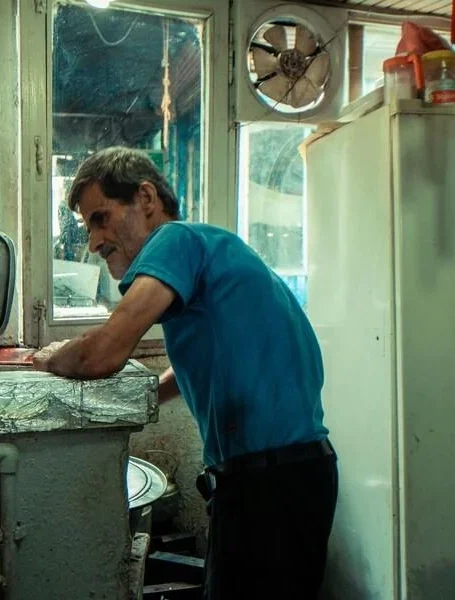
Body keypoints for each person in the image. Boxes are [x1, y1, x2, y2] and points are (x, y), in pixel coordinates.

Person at [33, 147, 338, 599]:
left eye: (100, 218)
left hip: (269, 487)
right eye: (88, 227)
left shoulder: (175, 242)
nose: (94, 242)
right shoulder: (207, 249)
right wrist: (145, 399)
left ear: (146, 198)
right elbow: (215, 356)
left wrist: (46, 356)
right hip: (288, 476)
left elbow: (103, 353)